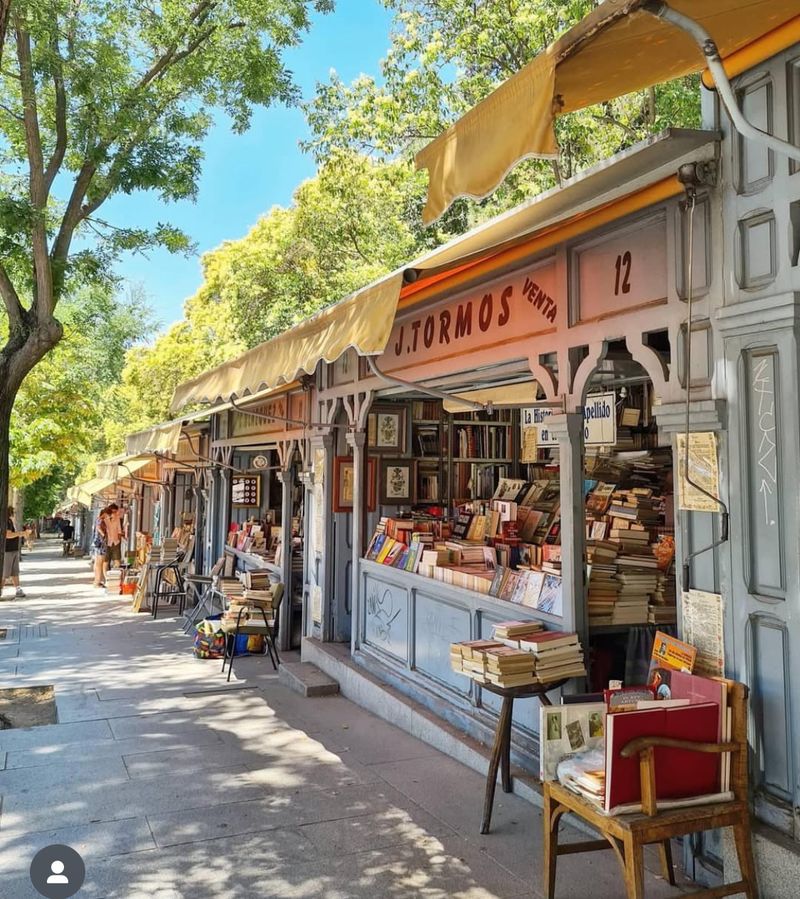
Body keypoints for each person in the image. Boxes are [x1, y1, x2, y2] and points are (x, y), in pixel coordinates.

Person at [4, 506, 26, 598]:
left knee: (15, 572)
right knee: (4, 573)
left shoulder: (10, 522)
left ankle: (18, 589)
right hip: (7, 550)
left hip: (13, 549)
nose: (15, 514)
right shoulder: (7, 522)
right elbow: (8, 535)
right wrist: (21, 533)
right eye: (13, 512)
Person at [105, 503, 124, 574]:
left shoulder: (117, 519)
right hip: (106, 542)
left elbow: (119, 530)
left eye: (115, 512)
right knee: (106, 560)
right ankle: (107, 576)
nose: (114, 513)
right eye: (113, 512)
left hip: (116, 542)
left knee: (117, 559)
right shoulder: (105, 518)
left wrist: (119, 540)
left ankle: (115, 575)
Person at [92, 509, 109, 588]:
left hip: (98, 544)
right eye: (107, 514)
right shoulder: (100, 520)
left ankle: (97, 581)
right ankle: (97, 582)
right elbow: (98, 528)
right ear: (104, 513)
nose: (107, 516)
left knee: (98, 563)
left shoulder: (98, 519)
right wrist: (103, 535)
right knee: (99, 563)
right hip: (100, 544)